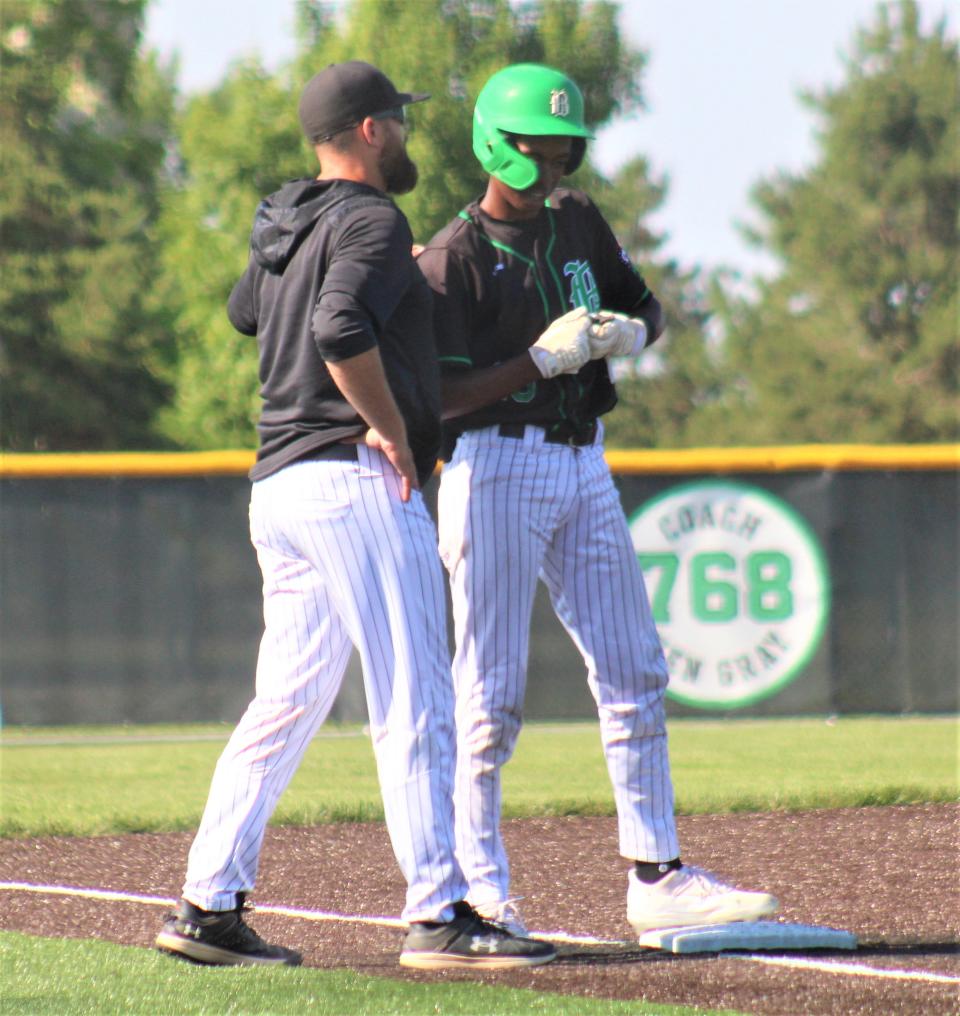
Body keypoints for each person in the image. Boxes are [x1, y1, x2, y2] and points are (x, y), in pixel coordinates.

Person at [155, 60, 555, 971]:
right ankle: (440, 914)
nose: (408, 135)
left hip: (280, 487)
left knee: (286, 702)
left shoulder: (285, 219)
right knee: (416, 694)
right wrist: (392, 430)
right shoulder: (374, 216)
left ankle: (207, 906)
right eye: (399, 122)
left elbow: (247, 313)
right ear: (371, 131)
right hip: (351, 481)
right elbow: (340, 330)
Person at [416, 63, 779, 939]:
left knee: (634, 669)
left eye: (562, 149)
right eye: (535, 151)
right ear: (495, 146)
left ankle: (655, 871)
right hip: (493, 465)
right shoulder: (450, 259)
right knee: (489, 694)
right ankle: (481, 888)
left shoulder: (576, 219)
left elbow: (647, 307)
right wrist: (537, 362)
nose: (550, 166)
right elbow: (438, 399)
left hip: (583, 461)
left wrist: (632, 334)